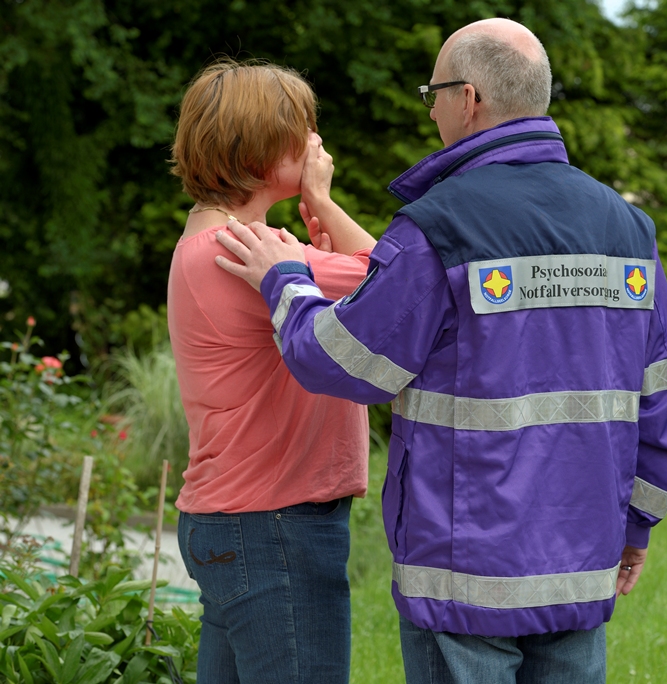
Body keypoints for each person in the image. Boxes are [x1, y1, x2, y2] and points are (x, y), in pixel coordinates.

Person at [214, 19, 667, 683]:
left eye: (433, 93)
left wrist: (284, 278)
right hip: (580, 577)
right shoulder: (626, 230)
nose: (433, 107)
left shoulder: (443, 225)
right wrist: (633, 527)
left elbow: (341, 360)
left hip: (460, 583)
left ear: (467, 99)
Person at [166, 59, 377, 684]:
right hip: (274, 526)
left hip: (238, 522)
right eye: (302, 130)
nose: (316, 143)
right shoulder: (244, 253)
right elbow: (397, 282)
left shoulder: (232, 246)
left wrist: (317, 241)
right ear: (259, 151)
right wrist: (322, 199)